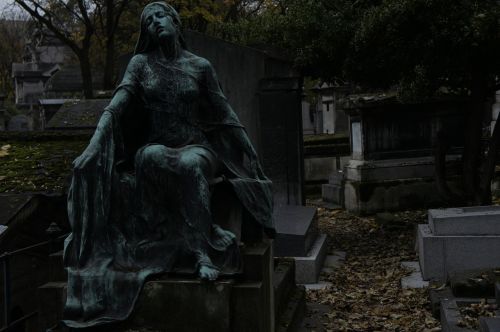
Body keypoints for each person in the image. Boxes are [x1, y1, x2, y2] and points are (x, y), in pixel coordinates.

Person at [63, 2, 274, 328]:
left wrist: (251, 155)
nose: (154, 24)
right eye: (148, 22)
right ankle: (161, 234)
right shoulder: (141, 64)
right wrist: (94, 144)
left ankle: (201, 253)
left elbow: (224, 115)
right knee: (148, 157)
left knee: (189, 164)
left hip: (197, 147)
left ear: (176, 22)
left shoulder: (200, 66)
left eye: (160, 16)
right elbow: (116, 106)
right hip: (157, 145)